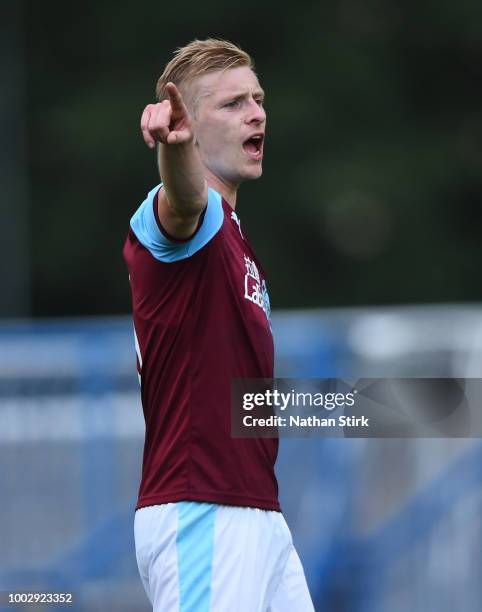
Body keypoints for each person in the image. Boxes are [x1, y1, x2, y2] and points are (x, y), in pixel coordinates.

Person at [123, 38, 314, 612]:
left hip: (256, 513)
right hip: (203, 511)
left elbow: (237, 403)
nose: (256, 112)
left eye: (257, 99)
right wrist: (176, 153)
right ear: (188, 123)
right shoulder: (188, 219)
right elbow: (183, 202)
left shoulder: (234, 240)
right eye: (232, 103)